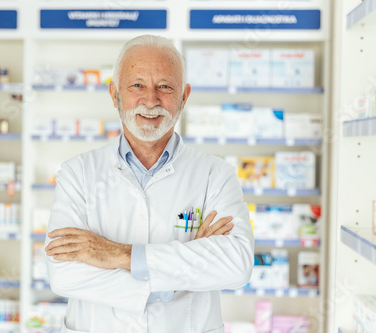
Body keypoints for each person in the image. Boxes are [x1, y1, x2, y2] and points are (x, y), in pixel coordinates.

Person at [44, 35, 254, 333]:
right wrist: (180, 274)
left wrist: (118, 254)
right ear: (115, 93)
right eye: (137, 85)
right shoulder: (77, 174)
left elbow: (236, 265)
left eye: (165, 87)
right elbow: (63, 274)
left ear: (184, 96)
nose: (151, 100)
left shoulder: (215, 175)